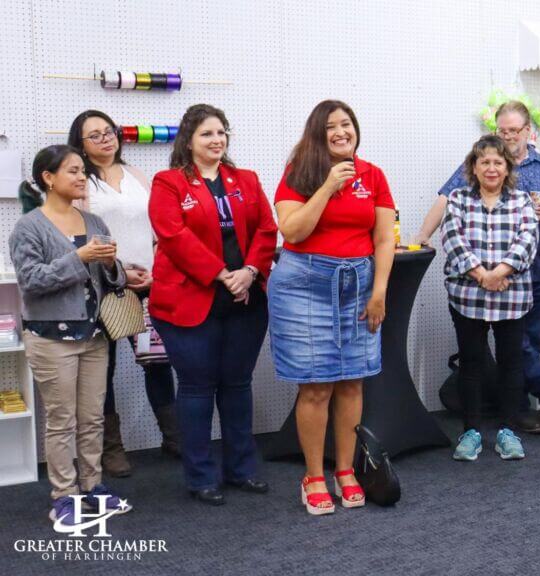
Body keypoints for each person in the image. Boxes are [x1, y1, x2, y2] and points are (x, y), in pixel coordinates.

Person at [270, 100, 395, 515]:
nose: (341, 132)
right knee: (316, 385)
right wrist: (326, 186)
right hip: (305, 284)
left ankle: (345, 470)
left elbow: (383, 239)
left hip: (358, 285)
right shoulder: (300, 173)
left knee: (352, 382)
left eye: (347, 124)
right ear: (317, 134)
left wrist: (379, 292)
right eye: (331, 127)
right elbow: (292, 230)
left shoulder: (373, 175)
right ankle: (313, 475)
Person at [148, 104, 277, 505]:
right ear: (189, 140)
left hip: (245, 298)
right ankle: (201, 475)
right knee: (198, 387)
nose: (216, 139)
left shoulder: (246, 179)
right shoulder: (168, 183)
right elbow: (173, 236)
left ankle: (241, 468)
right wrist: (224, 273)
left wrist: (251, 271)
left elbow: (266, 230)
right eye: (207, 134)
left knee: (237, 385)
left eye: (221, 132)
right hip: (190, 300)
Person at [414, 101, 540, 433]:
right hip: (478, 282)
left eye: (514, 130)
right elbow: (446, 201)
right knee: (500, 352)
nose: (508, 135)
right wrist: (423, 236)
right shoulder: (478, 165)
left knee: (524, 346)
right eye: (503, 130)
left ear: (529, 131)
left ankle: (518, 412)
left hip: (533, 271)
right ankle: (528, 405)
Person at [10, 145, 131, 526]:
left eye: (83, 171)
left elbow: (114, 280)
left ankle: (93, 487)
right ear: (48, 178)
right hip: (50, 338)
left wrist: (112, 265)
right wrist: (77, 259)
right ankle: (64, 495)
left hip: (95, 335)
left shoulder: (94, 222)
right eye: (73, 171)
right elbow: (31, 282)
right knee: (61, 420)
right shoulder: (28, 226)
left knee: (92, 418)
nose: (82, 178)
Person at [67, 109, 179, 478]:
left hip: (147, 286)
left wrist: (155, 271)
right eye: (94, 135)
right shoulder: (82, 184)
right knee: (105, 369)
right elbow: (79, 239)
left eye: (109, 131)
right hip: (103, 289)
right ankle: (111, 449)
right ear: (79, 145)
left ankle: (173, 438)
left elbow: (160, 230)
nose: (105, 138)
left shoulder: (136, 176)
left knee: (156, 362)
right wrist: (118, 273)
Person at [442, 135, 537, 462]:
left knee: (512, 364)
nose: (492, 168)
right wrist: (483, 275)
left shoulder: (522, 201)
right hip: (469, 296)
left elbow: (527, 240)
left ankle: (507, 432)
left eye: (498, 162)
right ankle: (471, 432)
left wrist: (499, 273)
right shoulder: (458, 199)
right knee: (472, 363)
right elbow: (453, 239)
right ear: (474, 166)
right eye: (485, 162)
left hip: (511, 296)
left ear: (508, 167)